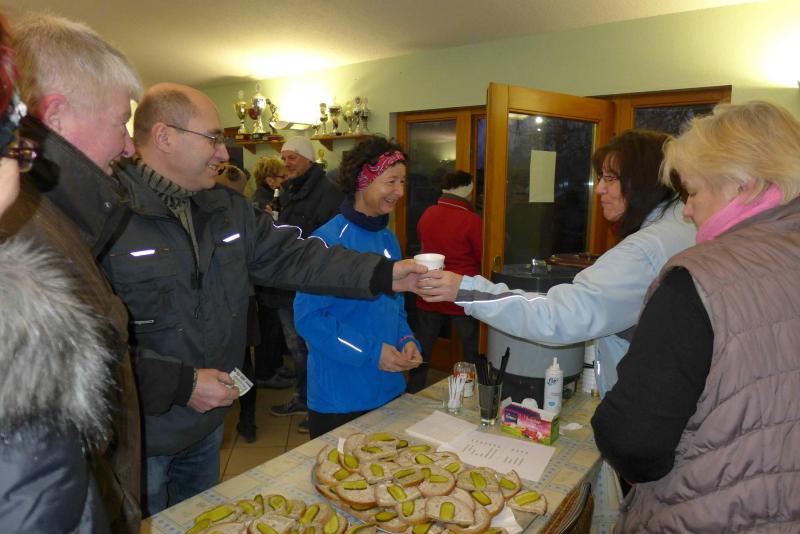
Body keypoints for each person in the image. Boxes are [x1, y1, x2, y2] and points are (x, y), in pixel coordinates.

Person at [102, 83, 425, 515]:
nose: (224, 153)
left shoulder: (224, 209)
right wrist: (181, 384)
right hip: (143, 430)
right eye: (213, 138)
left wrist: (385, 274)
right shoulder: (107, 216)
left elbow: (297, 256)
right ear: (164, 137)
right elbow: (89, 348)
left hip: (208, 420)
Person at [591, 101, 800, 532]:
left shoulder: (697, 279)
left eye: (694, 193)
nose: (686, 210)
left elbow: (633, 440)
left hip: (711, 511)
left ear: (744, 187)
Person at [416, 129, 696, 396]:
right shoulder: (684, 227)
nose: (599, 189)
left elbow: (557, 318)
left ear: (643, 183)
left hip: (650, 395)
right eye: (600, 177)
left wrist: (465, 290)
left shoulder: (642, 251)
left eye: (610, 178)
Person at [5, 13, 143, 532]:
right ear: (57, 115)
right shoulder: (27, 233)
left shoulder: (55, 218)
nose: (129, 147)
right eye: (120, 123)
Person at [294, 136, 422, 438]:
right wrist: (373, 352)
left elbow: (395, 305)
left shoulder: (388, 239)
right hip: (340, 398)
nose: (400, 192)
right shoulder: (327, 242)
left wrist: (405, 338)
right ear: (363, 180)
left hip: (389, 389)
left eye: (403, 182)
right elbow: (309, 320)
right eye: (391, 181)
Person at [269, 136, 344, 433]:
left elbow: (327, 241)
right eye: (284, 157)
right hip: (288, 281)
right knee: (296, 347)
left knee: (314, 347)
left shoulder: (328, 192)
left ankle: (318, 405)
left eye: (292, 157)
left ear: (309, 159)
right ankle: (304, 399)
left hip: (312, 282)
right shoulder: (289, 190)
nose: (286, 163)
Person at [409, 170, 482, 393]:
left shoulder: (428, 214)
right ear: (468, 189)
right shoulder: (472, 220)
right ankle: (472, 389)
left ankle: (414, 389)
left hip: (430, 289)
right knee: (472, 348)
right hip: (461, 291)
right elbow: (481, 255)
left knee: (424, 345)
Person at [249, 156, 294, 389]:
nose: (286, 180)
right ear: (270, 180)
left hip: (272, 274)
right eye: (282, 177)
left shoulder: (272, 198)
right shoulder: (261, 203)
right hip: (266, 275)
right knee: (268, 328)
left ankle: (275, 365)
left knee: (274, 326)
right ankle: (265, 373)